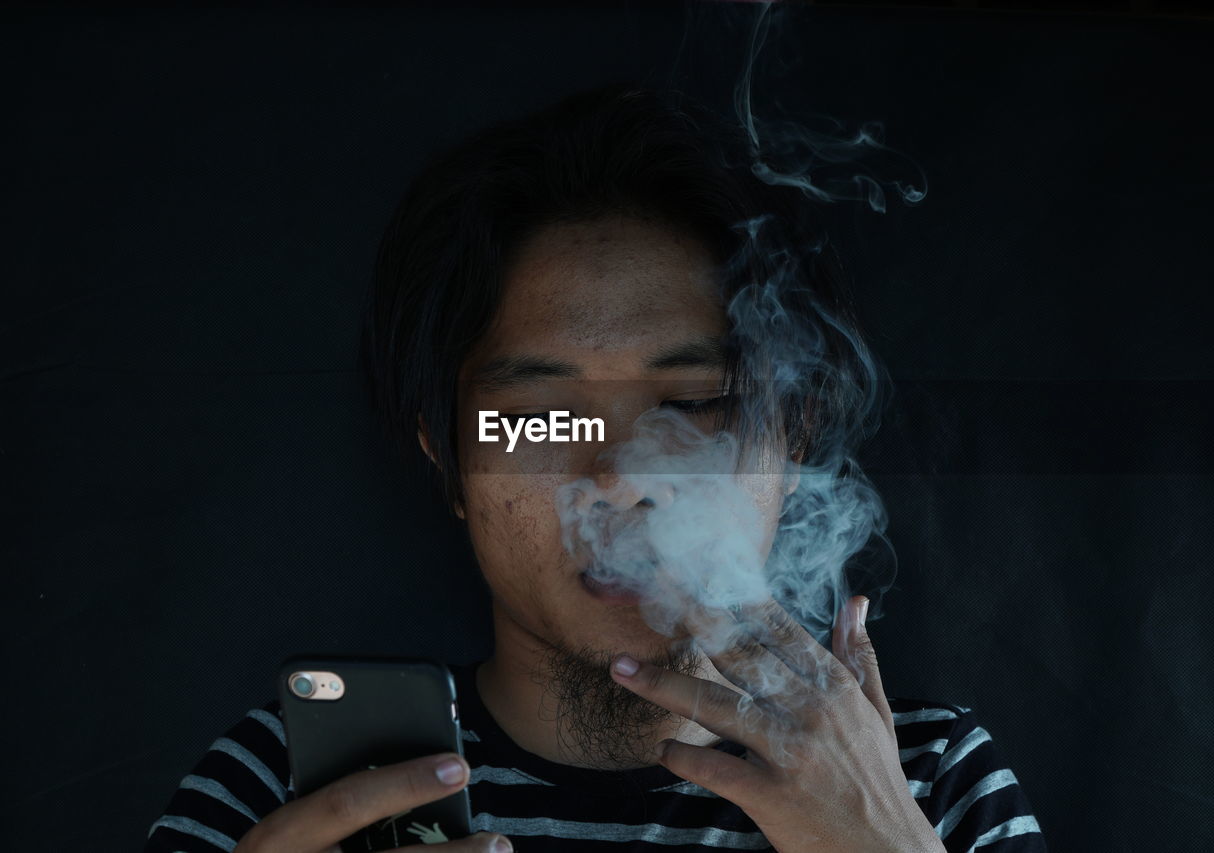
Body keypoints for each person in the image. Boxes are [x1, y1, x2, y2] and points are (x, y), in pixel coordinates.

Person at [144, 86, 1046, 853]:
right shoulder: (285, 787)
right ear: (447, 455)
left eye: (694, 406)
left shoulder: (922, 780)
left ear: (795, 436)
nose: (618, 477)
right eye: (538, 415)